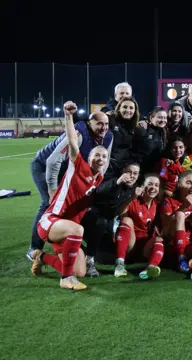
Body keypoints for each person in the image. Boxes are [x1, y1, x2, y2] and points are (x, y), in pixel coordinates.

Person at [31, 101, 108, 291]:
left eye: (104, 157)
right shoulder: (78, 165)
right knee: (78, 230)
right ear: (88, 158)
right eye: (96, 156)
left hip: (65, 231)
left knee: (80, 271)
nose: (100, 159)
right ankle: (66, 279)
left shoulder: (98, 180)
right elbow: (73, 141)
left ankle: (41, 257)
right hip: (50, 222)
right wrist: (68, 116)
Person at [113, 174, 165, 279]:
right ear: (142, 187)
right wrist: (132, 197)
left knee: (159, 239)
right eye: (150, 184)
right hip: (130, 246)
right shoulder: (134, 201)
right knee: (127, 220)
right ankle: (119, 264)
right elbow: (119, 212)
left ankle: (150, 268)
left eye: (156, 185)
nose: (153, 188)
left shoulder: (158, 206)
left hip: (145, 248)